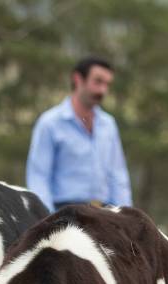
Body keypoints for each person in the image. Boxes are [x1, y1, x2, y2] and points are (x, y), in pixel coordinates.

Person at [26, 57, 132, 212]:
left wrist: (126, 218)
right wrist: (47, 220)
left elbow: (118, 176)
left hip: (104, 214)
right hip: (64, 215)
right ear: (77, 79)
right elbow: (38, 177)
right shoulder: (50, 123)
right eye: (98, 82)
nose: (103, 90)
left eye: (107, 84)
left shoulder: (108, 124)